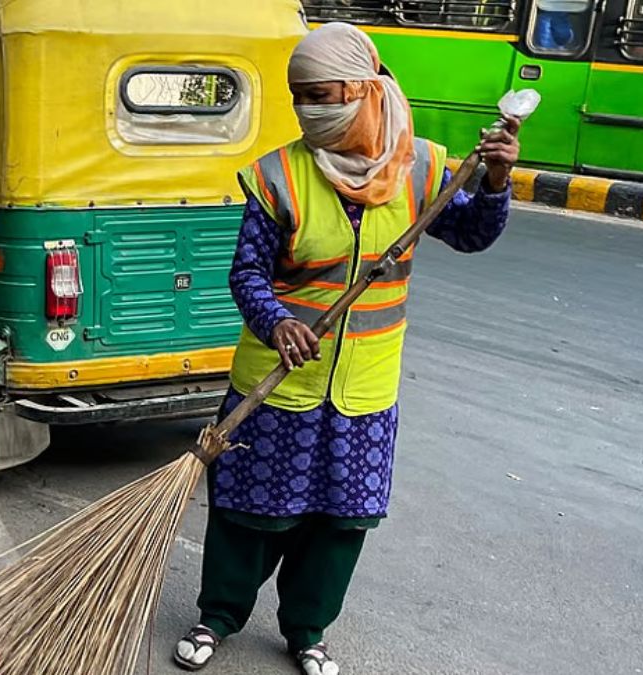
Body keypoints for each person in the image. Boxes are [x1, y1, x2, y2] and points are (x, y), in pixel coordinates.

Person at [173, 23, 520, 675]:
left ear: (363, 89)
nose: (309, 109)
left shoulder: (421, 166)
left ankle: (308, 630)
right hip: (277, 384)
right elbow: (247, 273)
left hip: (364, 390)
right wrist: (278, 322)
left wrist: (497, 178)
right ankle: (217, 615)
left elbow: (472, 234)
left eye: (322, 94)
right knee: (247, 510)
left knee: (340, 520)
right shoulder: (279, 174)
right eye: (299, 97)